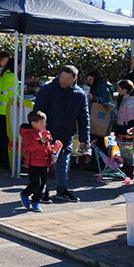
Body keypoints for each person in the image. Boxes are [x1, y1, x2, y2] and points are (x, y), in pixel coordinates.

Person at [33, 65, 89, 202]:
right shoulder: (48, 90)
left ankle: (62, 190)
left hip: (66, 134)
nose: (63, 81)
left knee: (63, 162)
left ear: (74, 79)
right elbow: (37, 112)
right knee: (42, 163)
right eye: (62, 77)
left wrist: (84, 138)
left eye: (67, 79)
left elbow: (84, 117)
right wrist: (38, 132)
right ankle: (40, 192)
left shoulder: (80, 94)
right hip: (48, 133)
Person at [19, 111, 53, 213]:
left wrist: (53, 150)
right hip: (34, 163)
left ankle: (35, 202)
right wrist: (40, 142)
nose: (44, 125)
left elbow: (48, 147)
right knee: (35, 184)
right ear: (33, 123)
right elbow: (29, 147)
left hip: (45, 162)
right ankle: (25, 194)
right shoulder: (28, 134)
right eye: (42, 123)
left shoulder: (45, 132)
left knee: (42, 185)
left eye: (44, 122)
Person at [0, 59, 17, 169]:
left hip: (0, 108)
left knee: (1, 135)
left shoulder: (3, 76)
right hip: (9, 109)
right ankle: (7, 160)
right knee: (8, 136)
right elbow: (14, 96)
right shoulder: (12, 77)